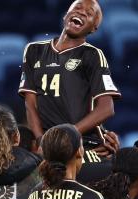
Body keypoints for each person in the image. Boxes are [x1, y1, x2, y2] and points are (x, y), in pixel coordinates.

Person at [18, 0, 120, 158]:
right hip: (47, 144)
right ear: (66, 15)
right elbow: (31, 104)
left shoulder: (92, 55)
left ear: (94, 28)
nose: (81, 12)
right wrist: (41, 141)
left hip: (84, 143)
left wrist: (66, 136)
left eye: (89, 13)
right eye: (78, 7)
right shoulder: (34, 50)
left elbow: (106, 108)